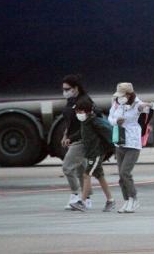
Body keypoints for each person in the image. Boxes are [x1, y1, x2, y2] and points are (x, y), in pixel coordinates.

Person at [108, 82, 154, 214]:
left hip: (132, 143)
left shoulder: (138, 105)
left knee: (125, 173)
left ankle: (134, 198)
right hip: (119, 142)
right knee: (121, 177)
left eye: (122, 95)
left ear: (129, 94)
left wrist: (149, 105)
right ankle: (127, 201)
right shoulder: (117, 103)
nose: (120, 97)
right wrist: (116, 121)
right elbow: (110, 118)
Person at [70, 98, 115, 212]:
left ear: (88, 111)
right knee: (100, 176)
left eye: (80, 112)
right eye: (77, 112)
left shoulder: (95, 121)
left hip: (96, 154)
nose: (78, 114)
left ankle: (82, 202)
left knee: (86, 175)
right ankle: (110, 200)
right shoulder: (85, 122)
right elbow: (82, 133)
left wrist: (115, 148)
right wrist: (70, 139)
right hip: (90, 154)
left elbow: (109, 132)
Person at [60, 74, 95, 210]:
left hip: (83, 140)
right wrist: (65, 135)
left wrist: (71, 138)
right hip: (74, 139)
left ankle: (75, 195)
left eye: (67, 89)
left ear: (76, 88)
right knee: (81, 171)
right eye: (63, 89)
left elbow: (85, 125)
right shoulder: (71, 100)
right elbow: (69, 122)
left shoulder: (84, 101)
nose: (65, 92)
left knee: (67, 167)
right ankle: (87, 199)